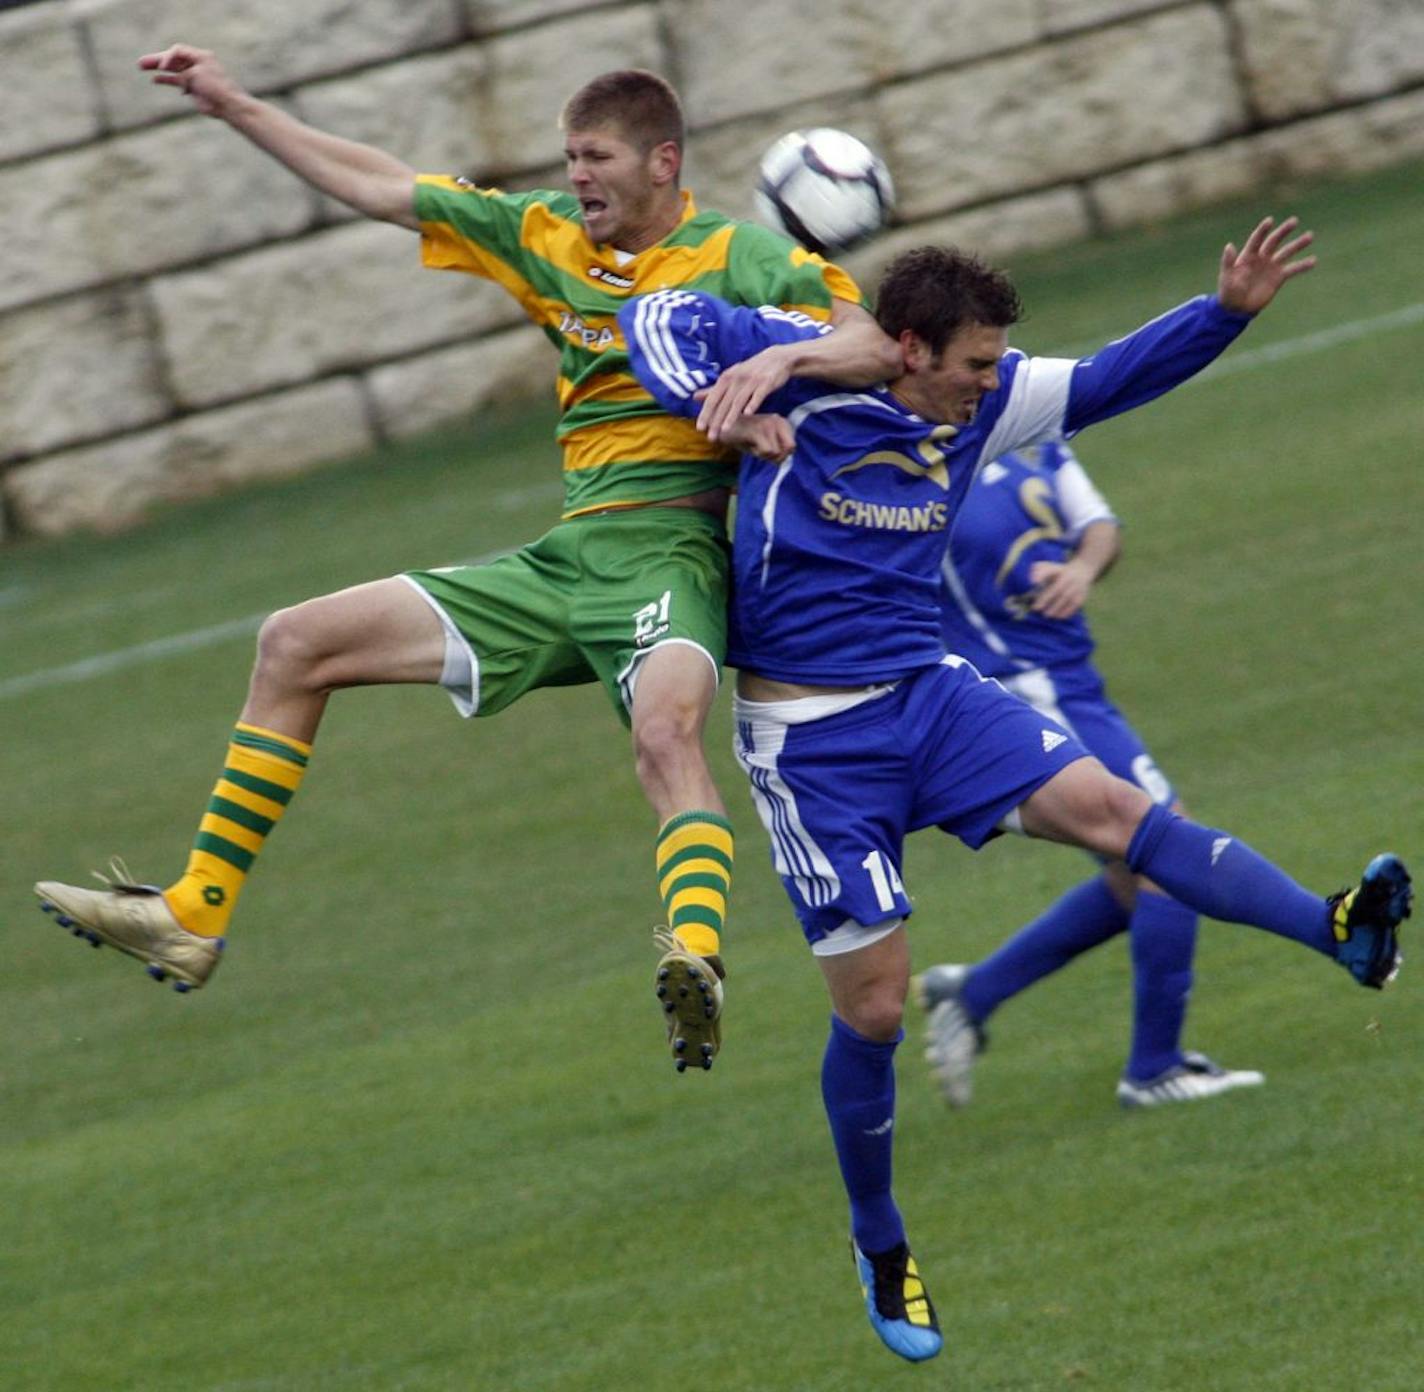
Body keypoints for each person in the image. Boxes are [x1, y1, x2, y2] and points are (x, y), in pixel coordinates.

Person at [618, 221, 1412, 1362]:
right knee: (876, 1009)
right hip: (809, 742)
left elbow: (1107, 379)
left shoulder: (977, 404)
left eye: (995, 364)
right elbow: (651, 319)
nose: (990, 384)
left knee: (1123, 820)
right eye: (973, 363)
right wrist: (784, 362)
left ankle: (1334, 928)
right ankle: (880, 1238)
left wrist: (1225, 311)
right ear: (907, 347)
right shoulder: (804, 362)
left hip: (933, 697)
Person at [31, 46, 901, 1074]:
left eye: (596, 158)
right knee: (296, 641)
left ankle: (696, 961)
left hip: (672, 554)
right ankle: (192, 912)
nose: (575, 178)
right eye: (567, 158)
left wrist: (778, 358)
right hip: (565, 562)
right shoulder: (545, 238)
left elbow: (873, 345)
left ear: (662, 161)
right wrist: (233, 106)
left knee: (667, 737)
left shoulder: (742, 257)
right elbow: (379, 184)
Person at [915, 441, 1264, 1108]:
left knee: (1137, 866)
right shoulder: (912, 464)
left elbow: (1100, 525)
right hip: (1019, 692)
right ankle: (1154, 1069)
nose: (987, 380)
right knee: (1169, 853)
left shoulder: (1034, 429)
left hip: (1073, 679)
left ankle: (973, 993)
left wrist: (1082, 567)